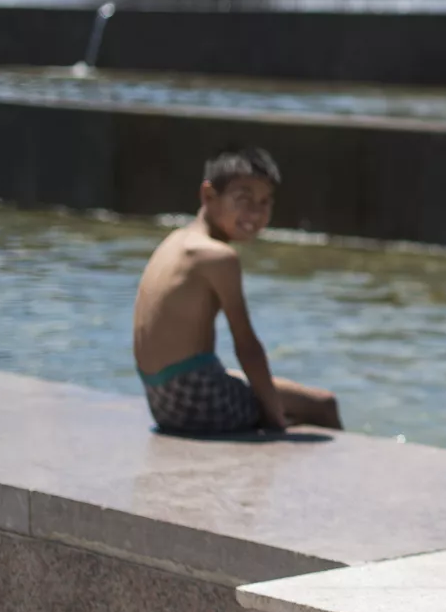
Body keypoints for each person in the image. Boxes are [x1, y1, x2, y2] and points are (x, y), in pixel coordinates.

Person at [132, 147, 341, 435]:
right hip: (199, 402)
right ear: (208, 195)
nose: (255, 213)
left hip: (161, 399)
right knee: (323, 405)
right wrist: (275, 419)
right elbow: (247, 347)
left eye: (265, 202)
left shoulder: (176, 241)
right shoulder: (218, 256)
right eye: (243, 199)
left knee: (272, 393)